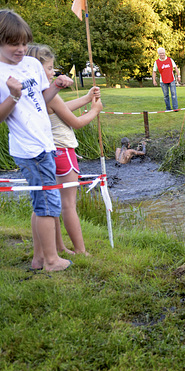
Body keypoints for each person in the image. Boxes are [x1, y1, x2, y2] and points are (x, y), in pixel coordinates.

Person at [0, 9, 74, 271]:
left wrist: (57, 87)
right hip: (28, 148)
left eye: (24, 42)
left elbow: (41, 102)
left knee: (40, 201)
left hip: (45, 143)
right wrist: (13, 95)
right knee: (46, 204)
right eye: (13, 44)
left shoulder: (31, 64)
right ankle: (52, 261)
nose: (21, 49)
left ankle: (39, 258)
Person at [26, 43, 103, 256]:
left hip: (47, 153)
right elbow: (76, 123)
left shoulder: (37, 93)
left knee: (47, 204)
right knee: (68, 204)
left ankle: (57, 248)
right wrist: (94, 110)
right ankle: (81, 250)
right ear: (37, 69)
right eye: (49, 68)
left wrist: (87, 98)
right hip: (64, 153)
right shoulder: (47, 92)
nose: (53, 72)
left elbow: (60, 109)